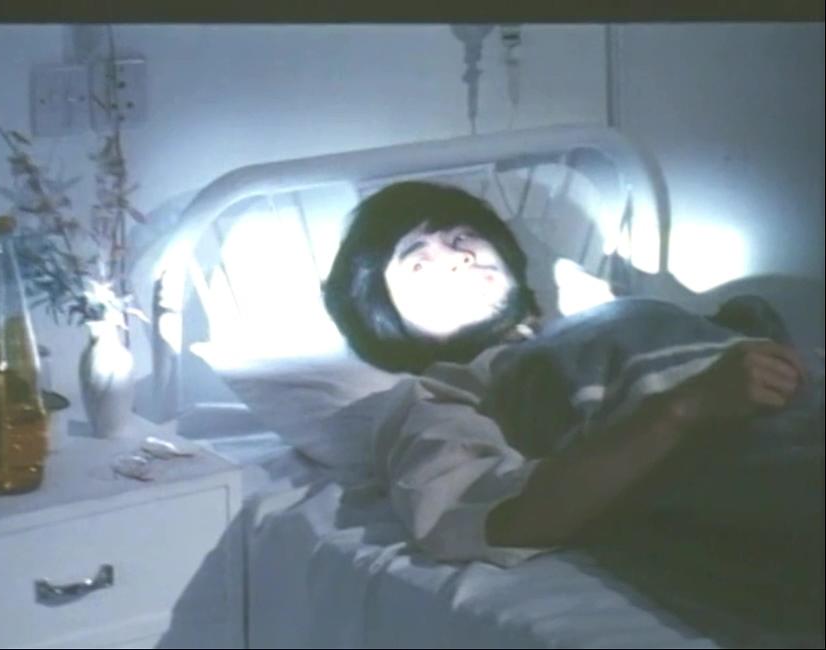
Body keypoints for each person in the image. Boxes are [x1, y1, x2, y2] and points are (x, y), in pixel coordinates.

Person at [323, 181, 824, 568]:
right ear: (387, 319)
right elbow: (502, 520)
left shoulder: (609, 312)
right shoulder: (441, 392)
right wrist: (682, 409)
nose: (459, 257)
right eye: (418, 263)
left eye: (461, 236)